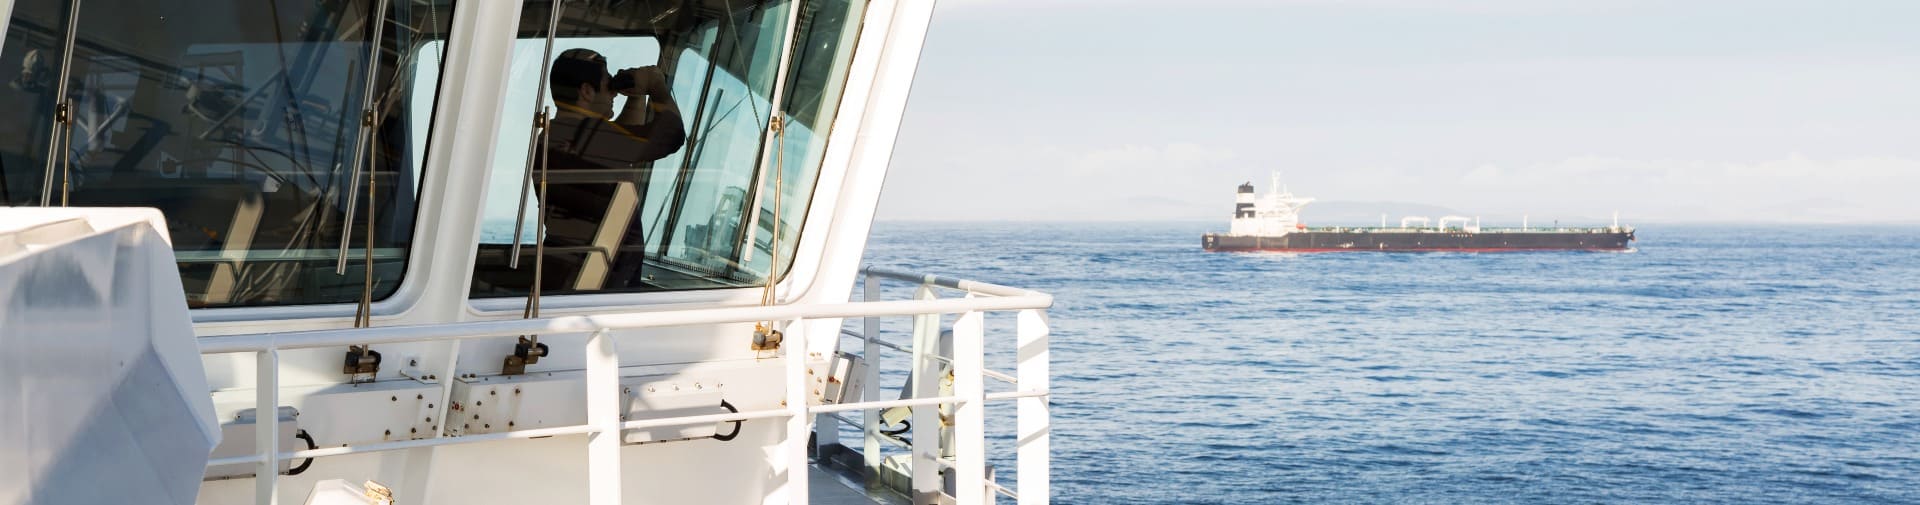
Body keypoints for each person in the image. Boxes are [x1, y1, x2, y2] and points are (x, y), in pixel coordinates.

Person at [534, 48, 687, 291]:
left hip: (569, 271)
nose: (613, 92)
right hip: (594, 279)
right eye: (608, 84)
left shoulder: (557, 134)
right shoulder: (586, 136)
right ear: (586, 91)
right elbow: (670, 136)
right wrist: (656, 86)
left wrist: (635, 97)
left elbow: (622, 151)